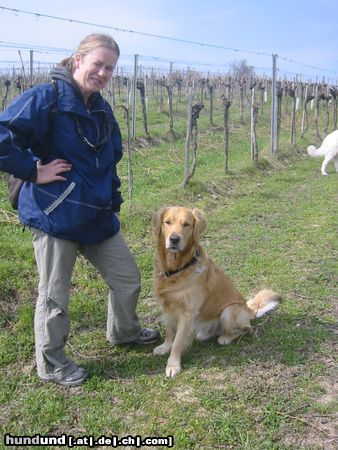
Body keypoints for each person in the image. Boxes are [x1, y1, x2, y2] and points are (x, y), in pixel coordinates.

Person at [0, 33, 160, 387]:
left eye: (109, 68)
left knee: (127, 279)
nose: (102, 72)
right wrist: (32, 170)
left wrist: (113, 203)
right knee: (54, 295)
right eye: (97, 63)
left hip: (97, 215)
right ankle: (52, 363)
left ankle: (124, 332)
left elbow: (111, 162)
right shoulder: (46, 99)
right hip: (55, 214)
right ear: (78, 60)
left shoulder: (102, 111)